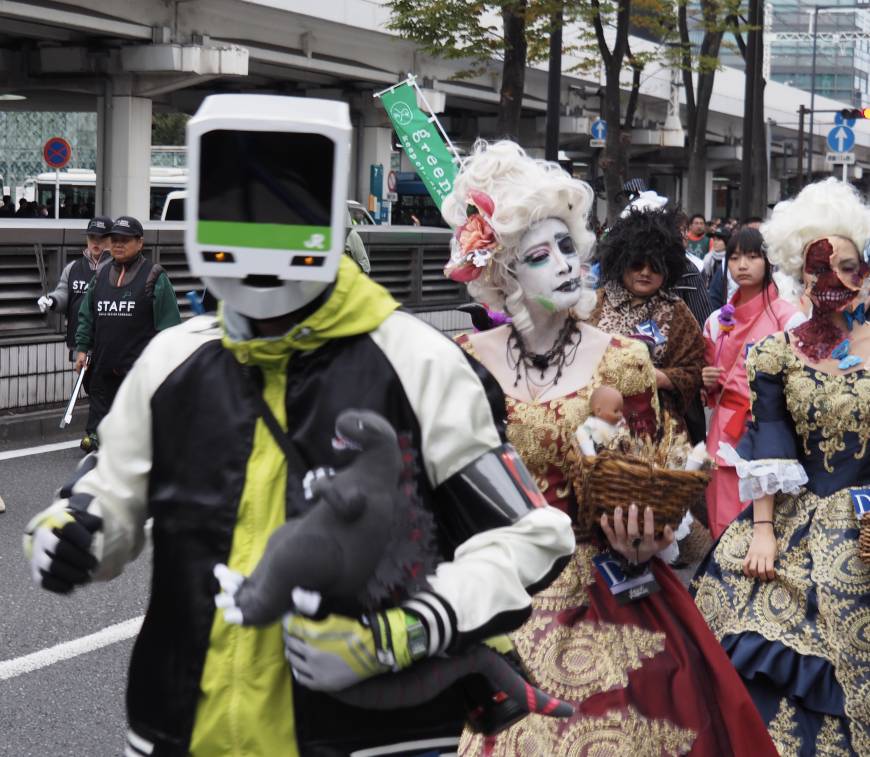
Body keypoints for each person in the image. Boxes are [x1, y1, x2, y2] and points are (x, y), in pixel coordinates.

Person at [23, 95, 574, 757]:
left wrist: (397, 632)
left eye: (284, 211)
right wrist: (67, 534)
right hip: (179, 725)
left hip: (363, 734)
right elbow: (106, 497)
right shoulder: (172, 358)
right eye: (236, 207)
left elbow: (530, 536)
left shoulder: (417, 361)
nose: (260, 235)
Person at [443, 140, 776, 756]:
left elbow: (654, 472)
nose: (565, 263)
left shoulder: (622, 359)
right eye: (540, 255)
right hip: (511, 595)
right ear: (505, 274)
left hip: (611, 583)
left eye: (568, 245)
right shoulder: (466, 364)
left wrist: (651, 533)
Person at [692, 178, 870, 755]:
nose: (836, 280)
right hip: (792, 521)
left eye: (849, 265)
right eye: (821, 267)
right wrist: (762, 530)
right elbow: (769, 438)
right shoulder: (775, 352)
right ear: (802, 272)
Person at [700, 226, 806, 539]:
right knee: (722, 517)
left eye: (752, 256)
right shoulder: (717, 320)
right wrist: (706, 380)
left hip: (771, 429)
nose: (742, 265)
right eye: (734, 258)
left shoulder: (790, 319)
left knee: (768, 519)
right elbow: (709, 389)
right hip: (724, 427)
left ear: (768, 260)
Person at [588, 207, 706, 442]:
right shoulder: (593, 304)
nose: (645, 272)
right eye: (637, 264)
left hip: (656, 428)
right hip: (595, 420)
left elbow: (694, 370)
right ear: (621, 262)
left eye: (655, 267)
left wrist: (662, 377)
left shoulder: (676, 311)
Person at [74, 215, 181, 451]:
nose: (118, 244)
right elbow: (86, 316)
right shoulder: (100, 275)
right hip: (103, 364)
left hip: (138, 370)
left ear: (140, 242)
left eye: (125, 240)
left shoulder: (154, 276)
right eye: (114, 240)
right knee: (98, 434)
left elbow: (170, 327)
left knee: (136, 433)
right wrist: (82, 349)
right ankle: (98, 440)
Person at [37, 216, 113, 364]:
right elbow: (64, 293)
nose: (96, 242)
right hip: (80, 341)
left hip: (109, 344)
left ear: (112, 239)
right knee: (87, 384)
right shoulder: (73, 268)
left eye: (102, 237)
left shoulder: (119, 269)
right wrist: (52, 300)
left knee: (103, 386)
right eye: (92, 237)